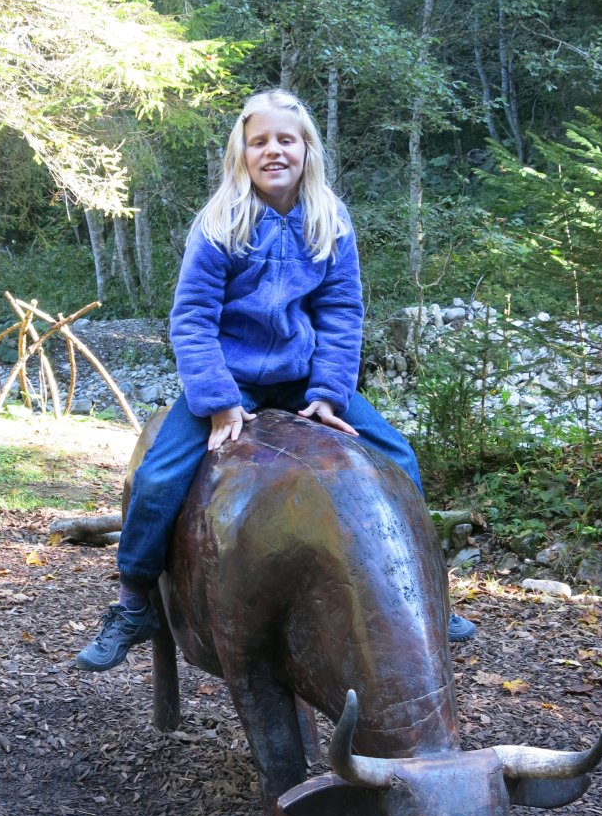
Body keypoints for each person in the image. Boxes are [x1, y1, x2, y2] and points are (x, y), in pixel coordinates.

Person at [76, 89, 475, 673]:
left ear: (307, 149)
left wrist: (327, 392)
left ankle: (427, 597)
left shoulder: (329, 220)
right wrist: (215, 402)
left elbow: (341, 311)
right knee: (159, 476)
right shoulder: (220, 224)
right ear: (242, 152)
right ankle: (134, 600)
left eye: (285, 140)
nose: (273, 151)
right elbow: (191, 319)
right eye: (258, 141)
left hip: (299, 378)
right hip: (227, 377)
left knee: (397, 455)